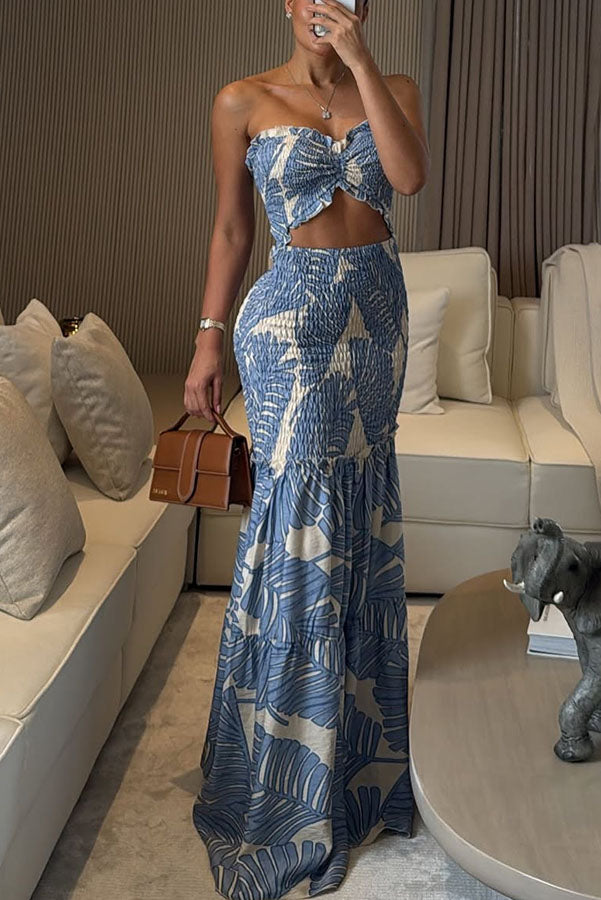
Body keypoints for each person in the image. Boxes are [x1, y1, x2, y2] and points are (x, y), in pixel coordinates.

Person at [186, 1, 430, 897]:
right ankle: (282, 786)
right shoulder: (241, 101)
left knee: (360, 524)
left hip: (377, 317)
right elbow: (231, 230)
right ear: (287, 4)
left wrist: (361, 65)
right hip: (289, 321)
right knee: (297, 537)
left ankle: (357, 771)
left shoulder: (393, 87)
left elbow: (407, 180)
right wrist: (208, 340)